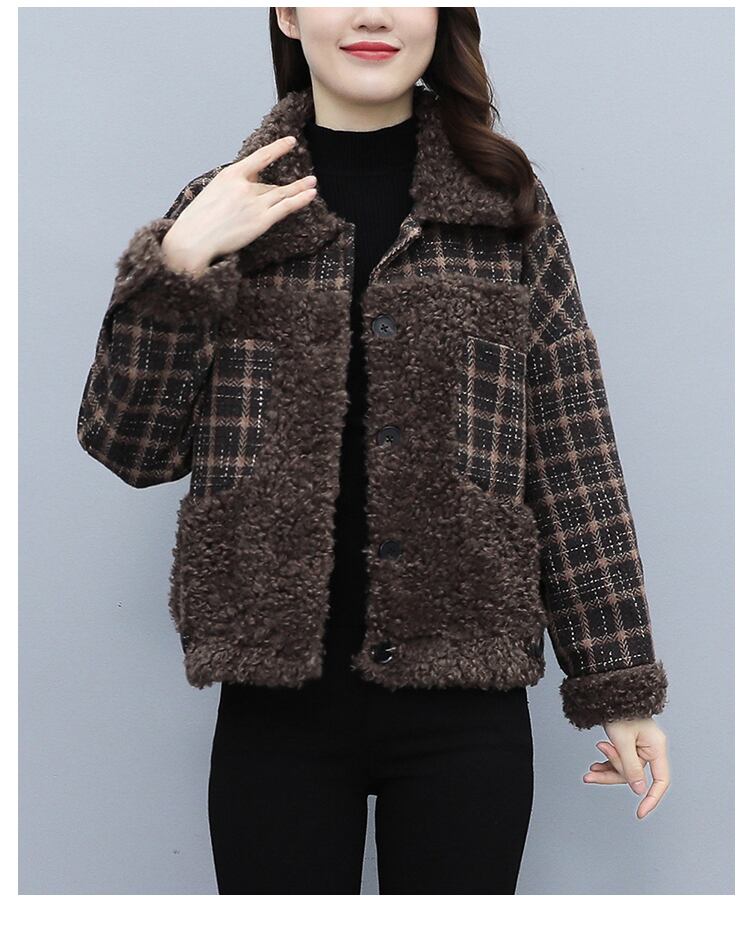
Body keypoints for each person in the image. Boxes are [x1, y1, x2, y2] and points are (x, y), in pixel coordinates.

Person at [76, 6, 672, 895]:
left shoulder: (503, 205)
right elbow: (129, 446)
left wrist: (617, 683)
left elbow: (570, 448)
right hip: (274, 707)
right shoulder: (225, 203)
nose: (372, 14)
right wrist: (183, 259)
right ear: (287, 13)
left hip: (465, 705)